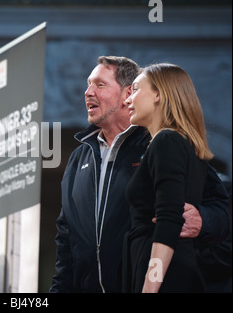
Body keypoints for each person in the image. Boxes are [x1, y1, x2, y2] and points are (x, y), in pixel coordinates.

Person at [49, 56, 230, 293]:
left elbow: (215, 211)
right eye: (87, 84)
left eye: (99, 85)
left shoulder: (161, 141)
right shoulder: (79, 158)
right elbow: (66, 239)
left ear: (127, 94)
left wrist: (204, 220)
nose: (88, 92)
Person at [123, 63, 222, 292]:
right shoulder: (179, 144)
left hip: (164, 277)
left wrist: (150, 286)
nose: (128, 100)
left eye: (136, 89)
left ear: (158, 95)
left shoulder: (167, 141)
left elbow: (168, 221)